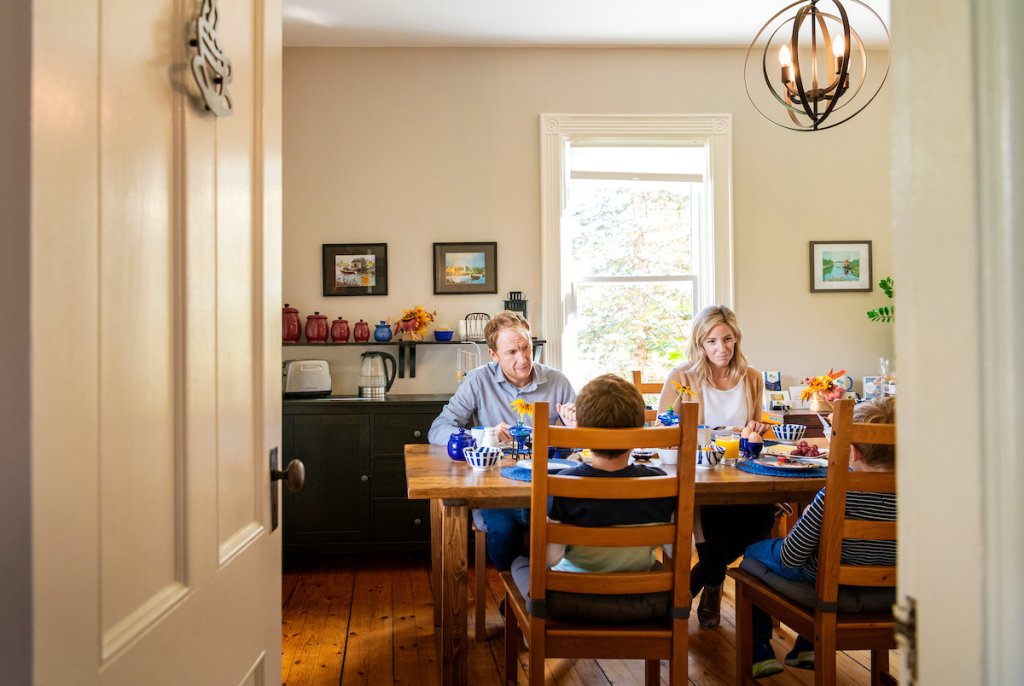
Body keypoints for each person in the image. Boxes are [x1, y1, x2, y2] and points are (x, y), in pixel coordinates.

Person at [744, 396, 897, 678]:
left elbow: (792, 557)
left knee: (753, 553)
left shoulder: (838, 493)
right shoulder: (918, 493)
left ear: (853, 452)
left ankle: (760, 650)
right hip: (893, 593)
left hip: (830, 589)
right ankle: (805, 648)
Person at [508, 374, 676, 621]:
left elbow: (551, 558)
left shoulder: (563, 483)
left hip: (570, 600)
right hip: (644, 601)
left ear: (582, 431)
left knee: (519, 563)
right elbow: (681, 548)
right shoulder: (660, 483)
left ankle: (533, 628)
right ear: (640, 431)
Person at [428, 311, 577, 570]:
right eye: (511, 352)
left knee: (568, 520)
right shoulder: (477, 380)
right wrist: (483, 435)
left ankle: (544, 586)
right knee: (505, 528)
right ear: (493, 355)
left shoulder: (558, 382)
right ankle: (515, 590)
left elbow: (581, 446)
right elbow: (438, 429)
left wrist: (575, 430)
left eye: (526, 348)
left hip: (547, 486)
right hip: (495, 486)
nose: (523, 359)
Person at [657, 304, 774, 628]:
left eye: (727, 339)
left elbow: (755, 425)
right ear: (700, 343)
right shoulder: (682, 376)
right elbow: (662, 430)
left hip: (743, 474)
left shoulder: (751, 378)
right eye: (711, 341)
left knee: (761, 518)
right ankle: (711, 585)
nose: (720, 348)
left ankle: (703, 581)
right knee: (715, 521)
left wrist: (756, 429)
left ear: (736, 338)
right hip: (702, 475)